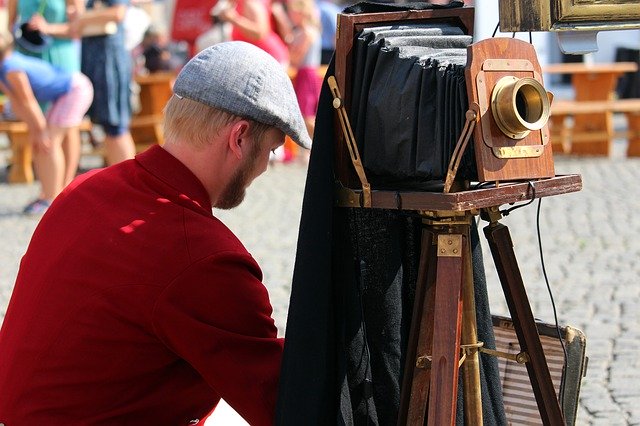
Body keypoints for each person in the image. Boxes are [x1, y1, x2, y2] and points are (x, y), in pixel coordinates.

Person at [0, 41, 310, 424]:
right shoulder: (202, 256)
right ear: (240, 137)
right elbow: (288, 405)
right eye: (272, 150)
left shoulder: (86, 187)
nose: (265, 167)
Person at [0, 32, 93, 214]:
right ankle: (49, 193)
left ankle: (52, 198)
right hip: (67, 92)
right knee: (41, 143)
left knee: (48, 143)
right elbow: (18, 104)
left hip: (75, 89)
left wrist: (41, 130)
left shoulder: (11, 68)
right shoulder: (5, 67)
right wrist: (35, 130)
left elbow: (27, 101)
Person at [6, 0, 87, 190]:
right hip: (29, 55)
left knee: (67, 125)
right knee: (38, 122)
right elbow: (11, 25)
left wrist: (48, 28)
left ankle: (66, 186)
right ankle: (49, 186)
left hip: (60, 55)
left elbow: (79, 28)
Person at [75, 0, 136, 165]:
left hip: (109, 61)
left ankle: (128, 183)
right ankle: (123, 181)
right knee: (109, 126)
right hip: (96, 60)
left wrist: (83, 17)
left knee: (116, 126)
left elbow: (118, 13)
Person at [218, 0, 290, 68]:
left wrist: (234, 19)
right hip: (260, 59)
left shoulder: (250, 2)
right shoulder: (239, 3)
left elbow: (260, 32)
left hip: (271, 58)